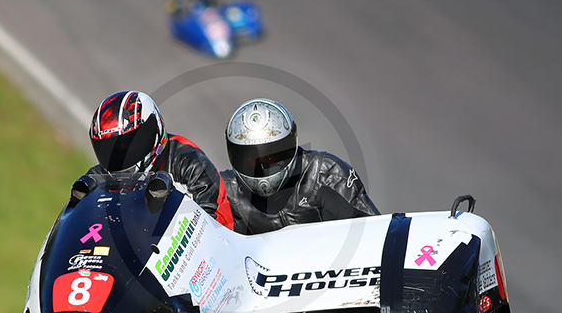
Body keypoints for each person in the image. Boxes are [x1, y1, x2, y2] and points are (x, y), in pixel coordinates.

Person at [71, 90, 234, 230]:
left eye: (127, 146)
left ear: (152, 132)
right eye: (109, 150)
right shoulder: (95, 180)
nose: (119, 158)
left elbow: (219, 224)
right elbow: (73, 227)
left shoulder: (188, 162)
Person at [221, 98, 379, 235]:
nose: (263, 166)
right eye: (252, 160)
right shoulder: (222, 192)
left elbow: (375, 235)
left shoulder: (328, 175)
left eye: (272, 157)